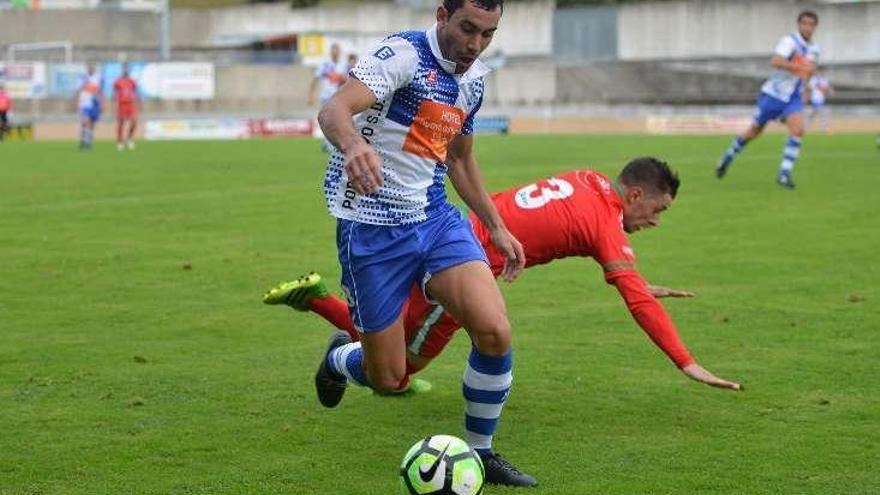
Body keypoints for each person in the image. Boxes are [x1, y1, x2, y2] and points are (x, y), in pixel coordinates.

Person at [266, 158, 743, 394]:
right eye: (658, 209)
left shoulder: (589, 180)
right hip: (460, 265)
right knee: (397, 374)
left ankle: (322, 306)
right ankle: (326, 323)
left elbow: (565, 226)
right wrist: (686, 362)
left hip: (450, 236)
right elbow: (634, 298)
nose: (656, 221)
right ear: (636, 195)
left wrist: (635, 279)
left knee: (392, 346)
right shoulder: (607, 224)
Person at [311, 0, 535, 487]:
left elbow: (458, 159)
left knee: (495, 330)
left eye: (487, 34)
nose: (475, 44)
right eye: (467, 28)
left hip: (434, 218)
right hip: (370, 226)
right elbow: (334, 110)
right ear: (441, 15)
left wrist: (495, 225)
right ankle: (338, 359)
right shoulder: (402, 56)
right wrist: (354, 147)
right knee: (388, 378)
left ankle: (481, 454)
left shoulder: (472, 79)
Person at [715, 10, 821, 189]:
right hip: (773, 94)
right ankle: (728, 157)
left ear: (815, 27)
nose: (807, 27)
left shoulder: (815, 49)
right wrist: (798, 65)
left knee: (798, 129)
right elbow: (776, 61)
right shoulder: (790, 42)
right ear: (799, 24)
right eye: (805, 23)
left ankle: (784, 174)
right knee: (754, 131)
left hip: (792, 97)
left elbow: (809, 71)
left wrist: (806, 90)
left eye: (811, 24)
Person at [309, 43, 351, 152]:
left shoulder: (343, 66)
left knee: (336, 120)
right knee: (327, 120)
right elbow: (315, 80)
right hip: (326, 96)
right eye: (333, 50)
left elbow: (348, 80)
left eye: (337, 50)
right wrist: (310, 95)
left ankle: (330, 143)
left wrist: (343, 80)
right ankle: (329, 143)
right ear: (331, 52)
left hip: (337, 97)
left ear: (339, 52)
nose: (335, 52)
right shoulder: (325, 65)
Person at [113, 62, 140, 151]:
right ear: (121, 69)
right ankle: (120, 141)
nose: (125, 70)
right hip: (122, 105)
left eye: (127, 68)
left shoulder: (132, 81)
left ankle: (129, 139)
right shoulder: (118, 81)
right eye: (124, 68)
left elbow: (136, 92)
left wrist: (137, 103)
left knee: (134, 122)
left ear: (129, 69)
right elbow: (114, 94)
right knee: (121, 123)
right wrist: (114, 105)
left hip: (130, 104)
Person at [77, 63, 103, 150]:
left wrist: (101, 103)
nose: (91, 69)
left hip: (94, 103)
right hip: (85, 103)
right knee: (85, 122)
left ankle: (88, 142)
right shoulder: (84, 78)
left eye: (93, 68)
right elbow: (80, 90)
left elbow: (99, 91)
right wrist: (79, 102)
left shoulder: (97, 78)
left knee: (92, 124)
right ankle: (84, 141)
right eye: (90, 67)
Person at [806, 67, 833, 134]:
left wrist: (830, 91)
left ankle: (805, 127)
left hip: (821, 98)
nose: (822, 72)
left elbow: (827, 87)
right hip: (815, 98)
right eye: (821, 71)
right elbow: (809, 86)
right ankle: (826, 128)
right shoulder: (815, 79)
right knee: (822, 113)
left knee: (812, 114)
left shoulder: (824, 79)